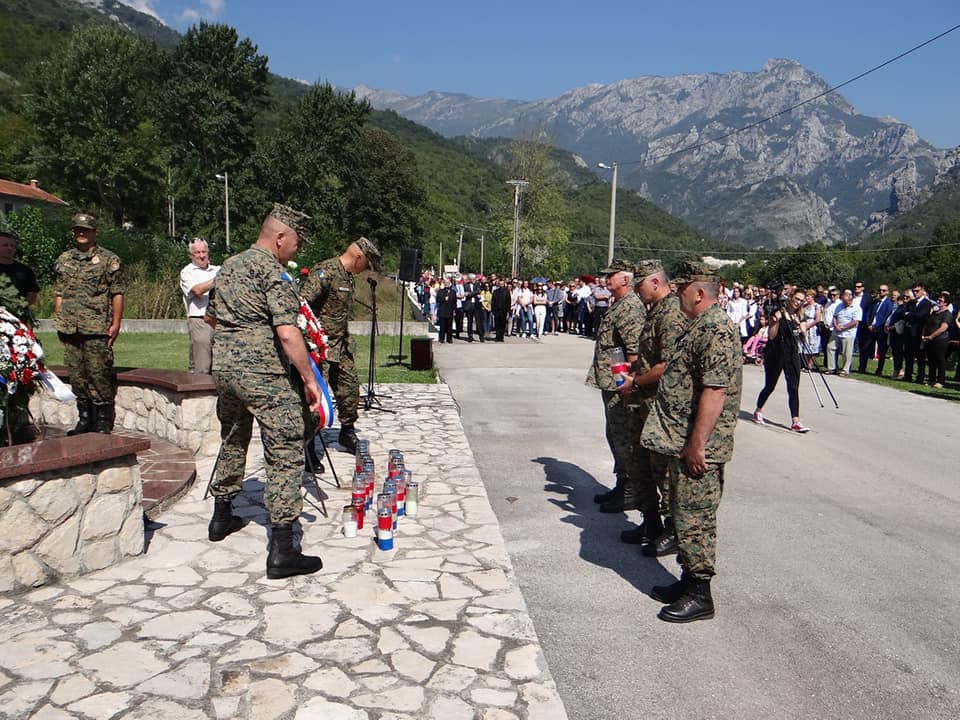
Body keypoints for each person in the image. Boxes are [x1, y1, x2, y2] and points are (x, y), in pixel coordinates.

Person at [205, 203, 323, 579]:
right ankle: (283, 547)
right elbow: (287, 332)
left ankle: (221, 515)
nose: (296, 251)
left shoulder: (229, 266)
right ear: (280, 237)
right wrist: (308, 379)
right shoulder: (273, 273)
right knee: (287, 444)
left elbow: (211, 316)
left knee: (234, 436)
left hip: (224, 368)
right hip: (262, 371)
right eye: (296, 244)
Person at [639, 260, 742, 623]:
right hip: (681, 442)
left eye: (682, 289)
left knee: (696, 520)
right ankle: (687, 581)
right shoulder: (697, 326)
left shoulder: (716, 330)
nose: (677, 294)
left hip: (698, 447)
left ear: (699, 293)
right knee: (683, 516)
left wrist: (697, 445)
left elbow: (715, 392)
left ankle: (701, 593)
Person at [617, 259, 688, 552]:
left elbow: (668, 364)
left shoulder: (670, 313)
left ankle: (672, 528)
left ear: (656, 282)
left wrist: (636, 381)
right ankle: (650, 523)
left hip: (660, 405)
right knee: (641, 464)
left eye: (640, 284)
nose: (636, 290)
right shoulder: (656, 310)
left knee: (663, 470)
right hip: (644, 402)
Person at [303, 235, 381, 453]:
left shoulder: (348, 277)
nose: (366, 269)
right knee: (317, 396)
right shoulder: (325, 271)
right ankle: (309, 445)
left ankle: (347, 432)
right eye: (366, 263)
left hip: (341, 346)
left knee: (350, 389)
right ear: (358, 256)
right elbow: (303, 303)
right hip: (320, 347)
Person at [53, 213, 124, 435]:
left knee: (98, 373)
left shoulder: (108, 260)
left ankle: (103, 419)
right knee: (76, 375)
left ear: (94, 232)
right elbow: (59, 292)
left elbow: (117, 293)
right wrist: (59, 318)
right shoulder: (64, 260)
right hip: (70, 327)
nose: (81, 233)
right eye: (77, 230)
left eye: (85, 230)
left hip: (96, 327)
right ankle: (84, 418)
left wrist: (116, 323)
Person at [584, 259, 645, 513]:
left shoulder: (630, 307)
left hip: (621, 385)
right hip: (611, 382)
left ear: (625, 280)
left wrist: (628, 385)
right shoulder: (619, 305)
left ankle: (631, 490)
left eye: (612, 276)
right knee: (614, 434)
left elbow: (633, 352)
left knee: (623, 436)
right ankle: (623, 483)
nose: (607, 279)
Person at [752, 288, 810, 433]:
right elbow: (771, 336)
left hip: (792, 353)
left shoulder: (800, 316)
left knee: (793, 387)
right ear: (791, 297)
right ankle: (758, 410)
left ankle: (795, 420)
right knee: (770, 385)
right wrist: (775, 321)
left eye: (801, 301)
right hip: (775, 353)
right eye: (797, 299)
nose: (798, 303)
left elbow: (803, 338)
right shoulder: (778, 312)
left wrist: (798, 325)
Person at [179, 238, 220, 374]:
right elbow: (197, 291)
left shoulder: (217, 269)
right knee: (202, 366)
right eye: (197, 252)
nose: (202, 255)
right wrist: (219, 279)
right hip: (199, 320)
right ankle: (201, 393)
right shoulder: (187, 272)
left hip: (219, 319)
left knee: (219, 363)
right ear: (191, 255)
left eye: (204, 251)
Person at [0, 226, 40, 309]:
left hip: (18, 315)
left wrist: (19, 307)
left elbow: (32, 294)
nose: (9, 248)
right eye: (5, 245)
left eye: (12, 246)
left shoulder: (25, 270)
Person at [921, 292, 952, 388]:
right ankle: (931, 379)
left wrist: (931, 336)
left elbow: (943, 327)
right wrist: (923, 335)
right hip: (929, 340)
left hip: (940, 340)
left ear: (946, 303)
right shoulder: (934, 313)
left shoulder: (947, 314)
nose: (938, 302)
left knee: (940, 360)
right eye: (938, 300)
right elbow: (926, 324)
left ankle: (940, 381)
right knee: (931, 360)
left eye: (940, 301)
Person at [829, 289, 861, 376]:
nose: (844, 303)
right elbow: (835, 316)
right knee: (830, 348)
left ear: (850, 300)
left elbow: (855, 321)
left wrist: (843, 327)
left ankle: (845, 369)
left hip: (848, 333)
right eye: (843, 301)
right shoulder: (839, 305)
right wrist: (835, 325)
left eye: (846, 301)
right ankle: (831, 368)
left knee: (846, 352)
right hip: (836, 332)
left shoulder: (856, 308)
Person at [867, 284, 894, 375]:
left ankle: (879, 370)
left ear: (887, 292)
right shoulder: (875, 302)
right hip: (871, 327)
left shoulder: (889, 303)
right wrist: (869, 324)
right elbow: (869, 314)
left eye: (883, 290)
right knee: (866, 348)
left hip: (881, 329)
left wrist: (876, 326)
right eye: (880, 290)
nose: (881, 292)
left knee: (881, 351)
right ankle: (862, 367)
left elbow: (886, 317)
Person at [435, 276, 456, 343]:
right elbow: (437, 300)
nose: (446, 284)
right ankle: (442, 338)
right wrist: (444, 299)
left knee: (449, 326)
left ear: (449, 283)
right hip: (442, 311)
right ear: (444, 283)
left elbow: (454, 302)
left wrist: (454, 310)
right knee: (442, 326)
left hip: (450, 311)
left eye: (448, 282)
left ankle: (449, 339)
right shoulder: (440, 291)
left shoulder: (453, 292)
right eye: (445, 282)